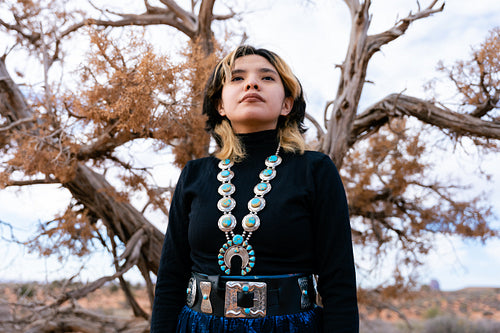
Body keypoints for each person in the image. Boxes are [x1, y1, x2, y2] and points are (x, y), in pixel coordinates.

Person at [150, 45, 359, 332]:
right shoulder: (194, 174)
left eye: (267, 78)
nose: (251, 83)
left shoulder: (316, 170)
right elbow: (170, 279)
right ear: (220, 104)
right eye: (236, 78)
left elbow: (339, 282)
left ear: (287, 104)